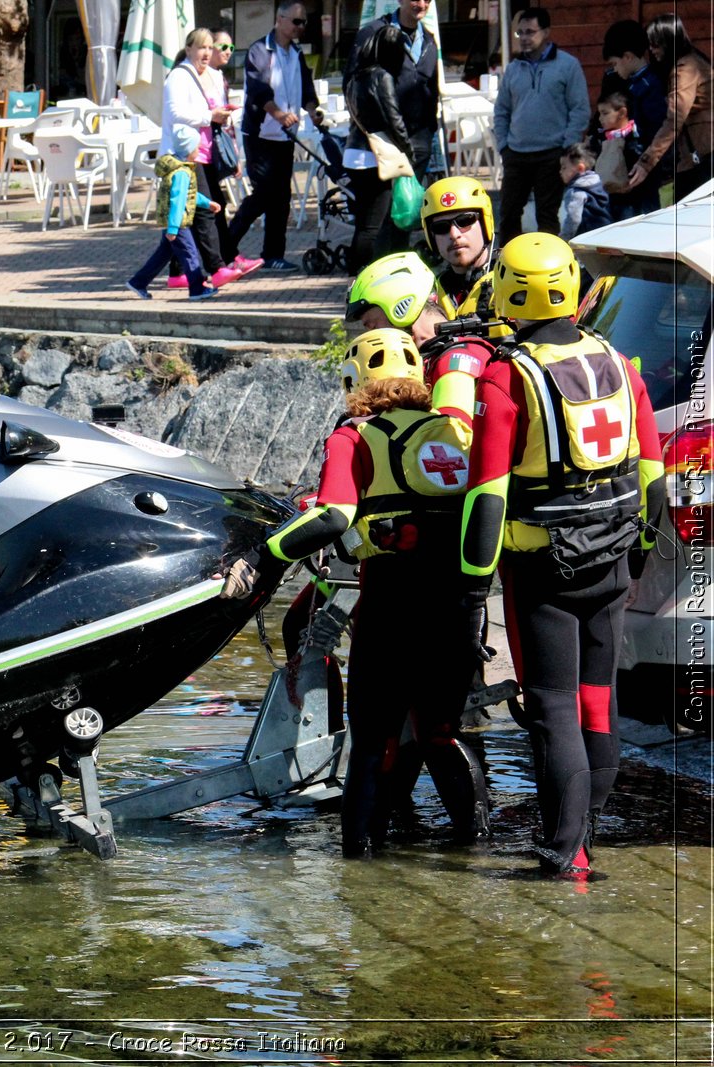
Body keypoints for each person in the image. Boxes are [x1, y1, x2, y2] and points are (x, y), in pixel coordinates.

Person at [221, 328, 486, 857]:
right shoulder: (457, 431)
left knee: (371, 741)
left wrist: (264, 555)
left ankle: (359, 867)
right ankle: (477, 847)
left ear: (353, 382)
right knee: (441, 729)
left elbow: (334, 515)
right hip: (457, 604)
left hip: (390, 603)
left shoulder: (354, 437)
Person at [457, 233, 665, 878]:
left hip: (543, 570)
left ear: (507, 292)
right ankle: (585, 836)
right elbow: (653, 471)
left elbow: (487, 493)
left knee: (551, 706)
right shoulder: (619, 361)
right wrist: (638, 557)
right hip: (612, 558)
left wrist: (471, 587)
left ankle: (564, 853)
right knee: (598, 698)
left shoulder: (505, 373)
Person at [230, 1, 324, 273]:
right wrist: (279, 114)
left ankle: (273, 255)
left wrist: (312, 111)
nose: (300, 27)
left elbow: (306, 88)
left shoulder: (296, 52)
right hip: (261, 135)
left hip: (285, 137)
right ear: (279, 20)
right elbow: (259, 91)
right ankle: (225, 245)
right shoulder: (260, 50)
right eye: (296, 21)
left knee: (281, 198)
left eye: (303, 22)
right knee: (263, 195)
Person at [493, 8, 590, 238]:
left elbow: (580, 109)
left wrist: (566, 147)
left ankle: (548, 266)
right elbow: (501, 110)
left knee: (547, 216)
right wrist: (504, 146)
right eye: (520, 33)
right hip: (516, 153)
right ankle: (506, 263)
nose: (525, 38)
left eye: (530, 32)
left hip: (552, 154)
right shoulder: (514, 69)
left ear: (546, 32)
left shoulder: (568, 65)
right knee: (508, 214)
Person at [163, 28, 238, 289]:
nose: (207, 53)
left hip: (200, 152)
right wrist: (210, 116)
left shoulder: (199, 76)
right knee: (203, 212)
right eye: (201, 48)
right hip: (183, 153)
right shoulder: (179, 77)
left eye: (209, 48)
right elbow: (176, 112)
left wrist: (218, 114)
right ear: (189, 49)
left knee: (187, 215)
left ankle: (177, 274)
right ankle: (217, 269)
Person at [343, 23, 413, 272]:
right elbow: (393, 118)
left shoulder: (355, 76)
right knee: (373, 226)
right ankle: (360, 275)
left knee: (363, 223)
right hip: (375, 157)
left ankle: (356, 272)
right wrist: (408, 150)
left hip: (353, 153)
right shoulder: (381, 76)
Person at [125, 125, 220, 300]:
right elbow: (178, 201)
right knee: (190, 253)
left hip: (171, 221)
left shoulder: (177, 167)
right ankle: (197, 287)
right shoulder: (182, 173)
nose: (198, 151)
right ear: (189, 150)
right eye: (196, 148)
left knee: (163, 254)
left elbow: (188, 194)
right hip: (178, 222)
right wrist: (174, 228)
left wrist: (207, 203)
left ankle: (138, 282)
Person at [350, 0, 440, 181]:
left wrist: (428, 133)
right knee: (384, 209)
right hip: (380, 147)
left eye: (427, 0)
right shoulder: (373, 34)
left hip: (418, 144)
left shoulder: (429, 40)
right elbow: (352, 88)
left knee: (410, 207)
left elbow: (431, 90)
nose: (422, 4)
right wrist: (375, 131)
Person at [628, 13, 714, 203]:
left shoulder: (685, 69)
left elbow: (674, 121)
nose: (652, 49)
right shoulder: (694, 60)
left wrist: (646, 162)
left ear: (668, 40)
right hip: (698, 157)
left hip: (701, 159)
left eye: (655, 43)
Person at [205, 28, 262, 277]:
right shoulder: (201, 76)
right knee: (211, 207)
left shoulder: (219, 78)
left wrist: (235, 154)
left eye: (231, 47)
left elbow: (224, 123)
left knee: (211, 207)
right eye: (222, 47)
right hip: (202, 151)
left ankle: (225, 258)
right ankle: (225, 260)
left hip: (214, 149)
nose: (227, 52)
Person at [418, 176, 500, 326]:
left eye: (465, 221)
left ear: (485, 223)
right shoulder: (427, 293)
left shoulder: (514, 278)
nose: (454, 234)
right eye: (440, 227)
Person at [345, 251, 450, 353]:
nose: (372, 337)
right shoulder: (436, 356)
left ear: (402, 309)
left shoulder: (451, 366)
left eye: (373, 326)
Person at [596, 92, 651, 220]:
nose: (600, 118)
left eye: (605, 113)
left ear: (621, 113)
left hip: (631, 200)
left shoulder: (634, 136)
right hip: (608, 198)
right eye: (599, 114)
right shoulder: (599, 139)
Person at [558, 143, 611, 238]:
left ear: (580, 168)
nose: (560, 171)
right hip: (605, 231)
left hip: (586, 237)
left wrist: (564, 238)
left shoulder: (576, 192)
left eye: (564, 167)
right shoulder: (597, 183)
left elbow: (573, 219)